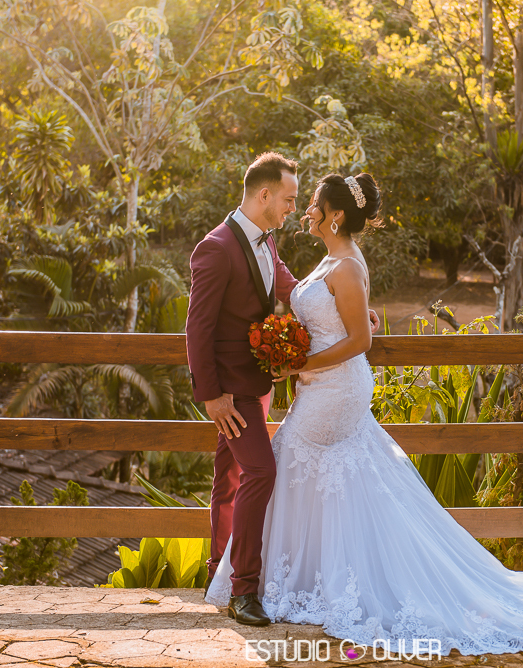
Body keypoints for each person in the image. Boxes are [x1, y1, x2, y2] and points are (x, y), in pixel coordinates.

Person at [205, 172, 523, 655]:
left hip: (334, 390)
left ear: (335, 215)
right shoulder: (330, 259)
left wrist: (303, 362)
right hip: (321, 390)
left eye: (311, 204)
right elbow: (316, 303)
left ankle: (296, 585)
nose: (305, 210)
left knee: (296, 467)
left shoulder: (345, 265)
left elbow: (360, 341)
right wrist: (303, 339)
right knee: (313, 475)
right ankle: (302, 582)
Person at [186, 153, 379, 628]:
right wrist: (211, 396)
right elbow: (197, 328)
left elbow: (292, 289)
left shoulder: (266, 240)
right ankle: (243, 590)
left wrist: (352, 310)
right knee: (260, 472)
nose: (296, 208)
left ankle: (220, 570)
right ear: (265, 194)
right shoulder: (215, 248)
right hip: (231, 393)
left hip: (259, 386)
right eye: (290, 199)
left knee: (230, 478)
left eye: (301, 201)